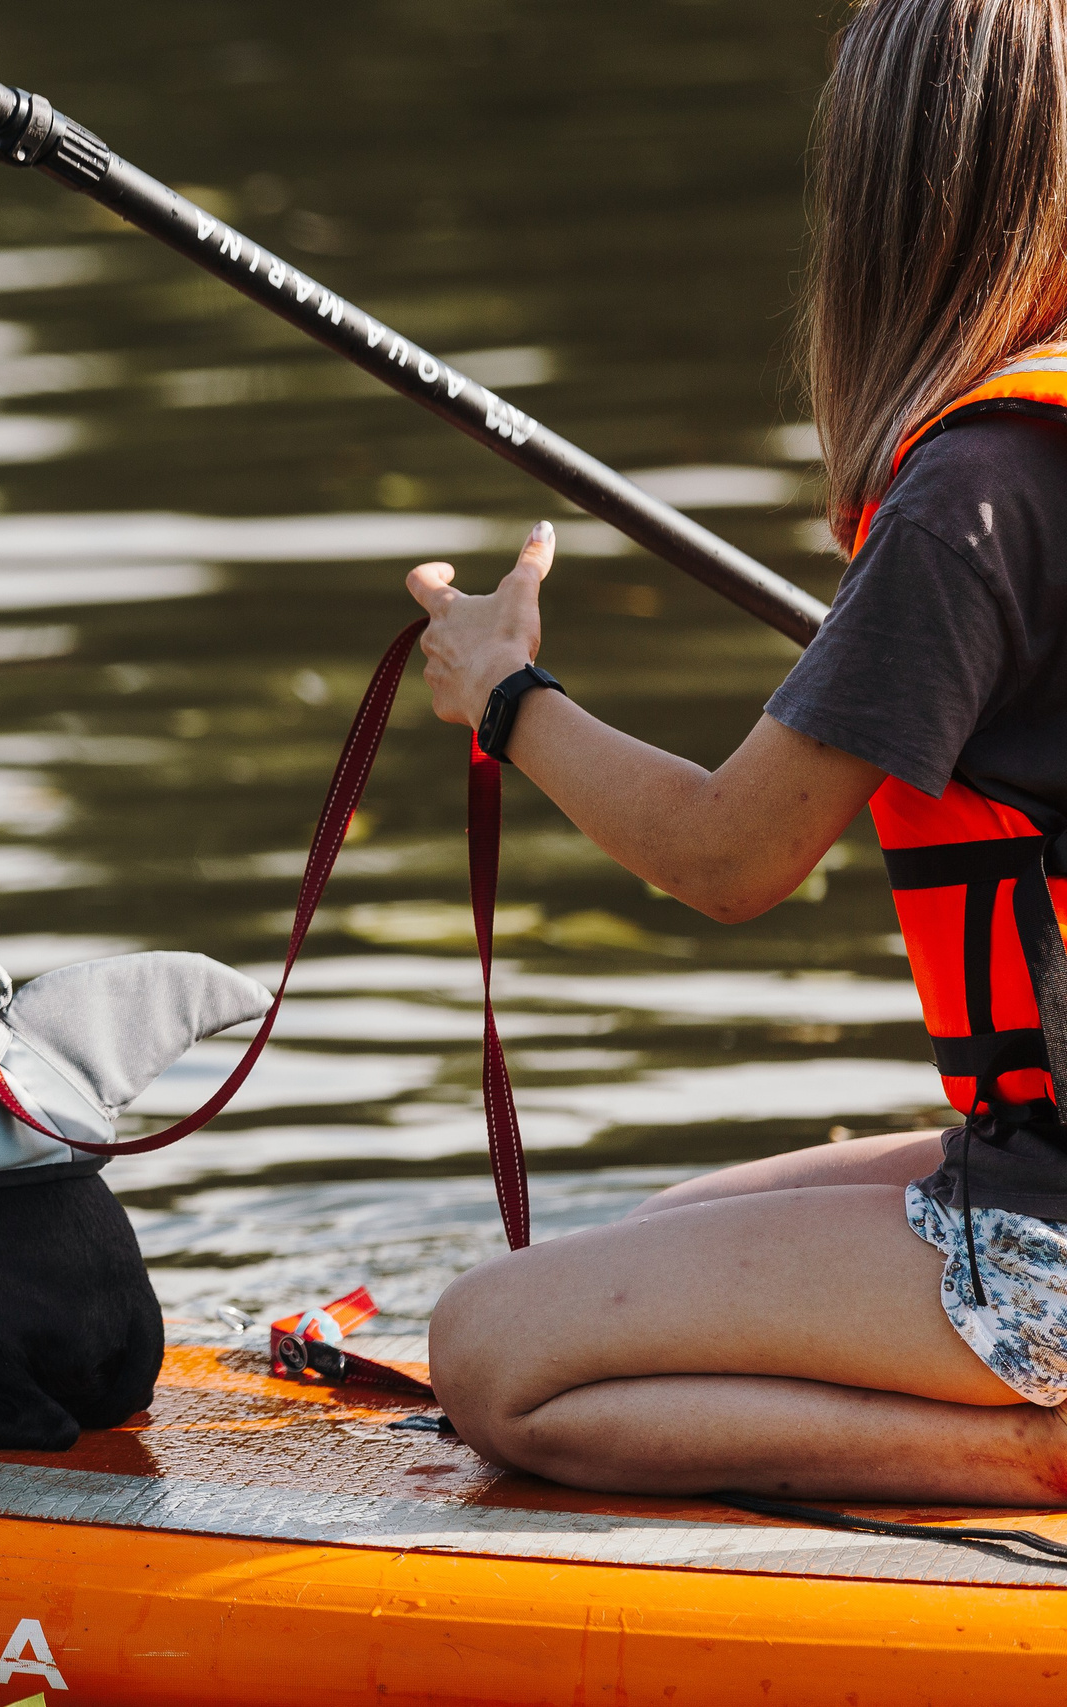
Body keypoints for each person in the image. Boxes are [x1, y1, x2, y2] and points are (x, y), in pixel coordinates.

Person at [412, 0, 1067, 1502]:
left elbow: (728, 858)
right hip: (1041, 1152)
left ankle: (1037, 1446)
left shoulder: (976, 493)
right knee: (649, 1240)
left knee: (494, 1353)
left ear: (897, 192)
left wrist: (506, 694)